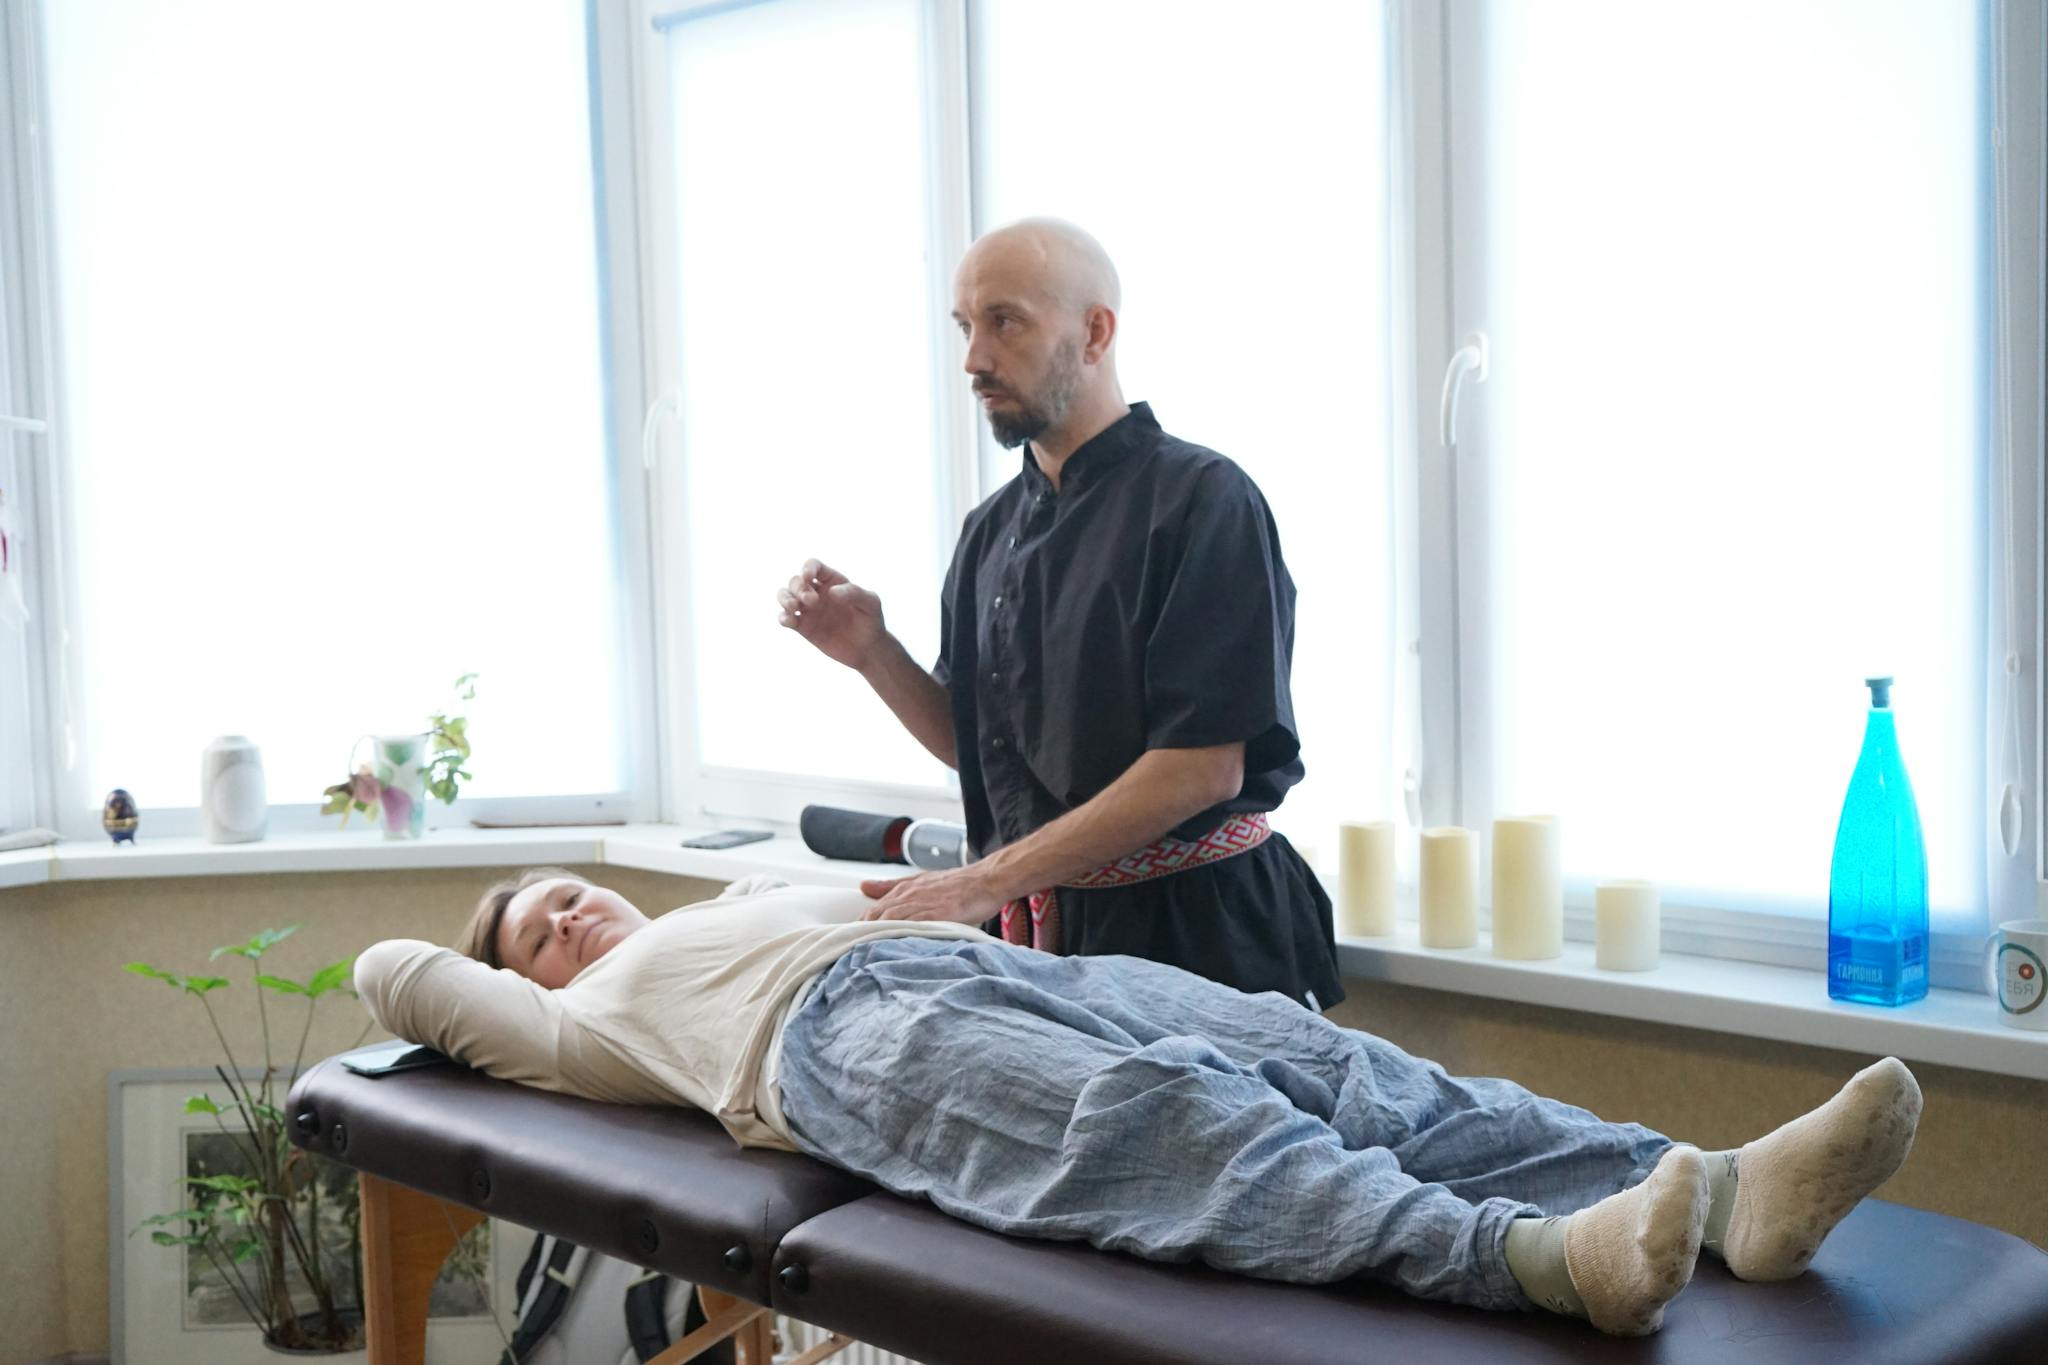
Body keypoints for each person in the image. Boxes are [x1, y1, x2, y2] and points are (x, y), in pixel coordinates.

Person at [354, 868, 1924, 1338]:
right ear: (529, 990)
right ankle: (1528, 1258)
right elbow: (394, 970)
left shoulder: (739, 893)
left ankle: (1717, 1187)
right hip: (829, 1041)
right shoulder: (582, 1028)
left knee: (1333, 1063)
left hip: (976, 966)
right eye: (532, 935)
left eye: (568, 896)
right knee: (1179, 1128)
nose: (563, 922)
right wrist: (498, 959)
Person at [777, 218, 1342, 1010]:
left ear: (1095, 332)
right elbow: (985, 748)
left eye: (1004, 321)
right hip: (1040, 939)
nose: (975, 358)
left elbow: (1202, 765)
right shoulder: (987, 533)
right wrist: (875, 652)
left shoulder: (1205, 501)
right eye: (966, 327)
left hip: (1201, 941)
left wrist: (980, 881)